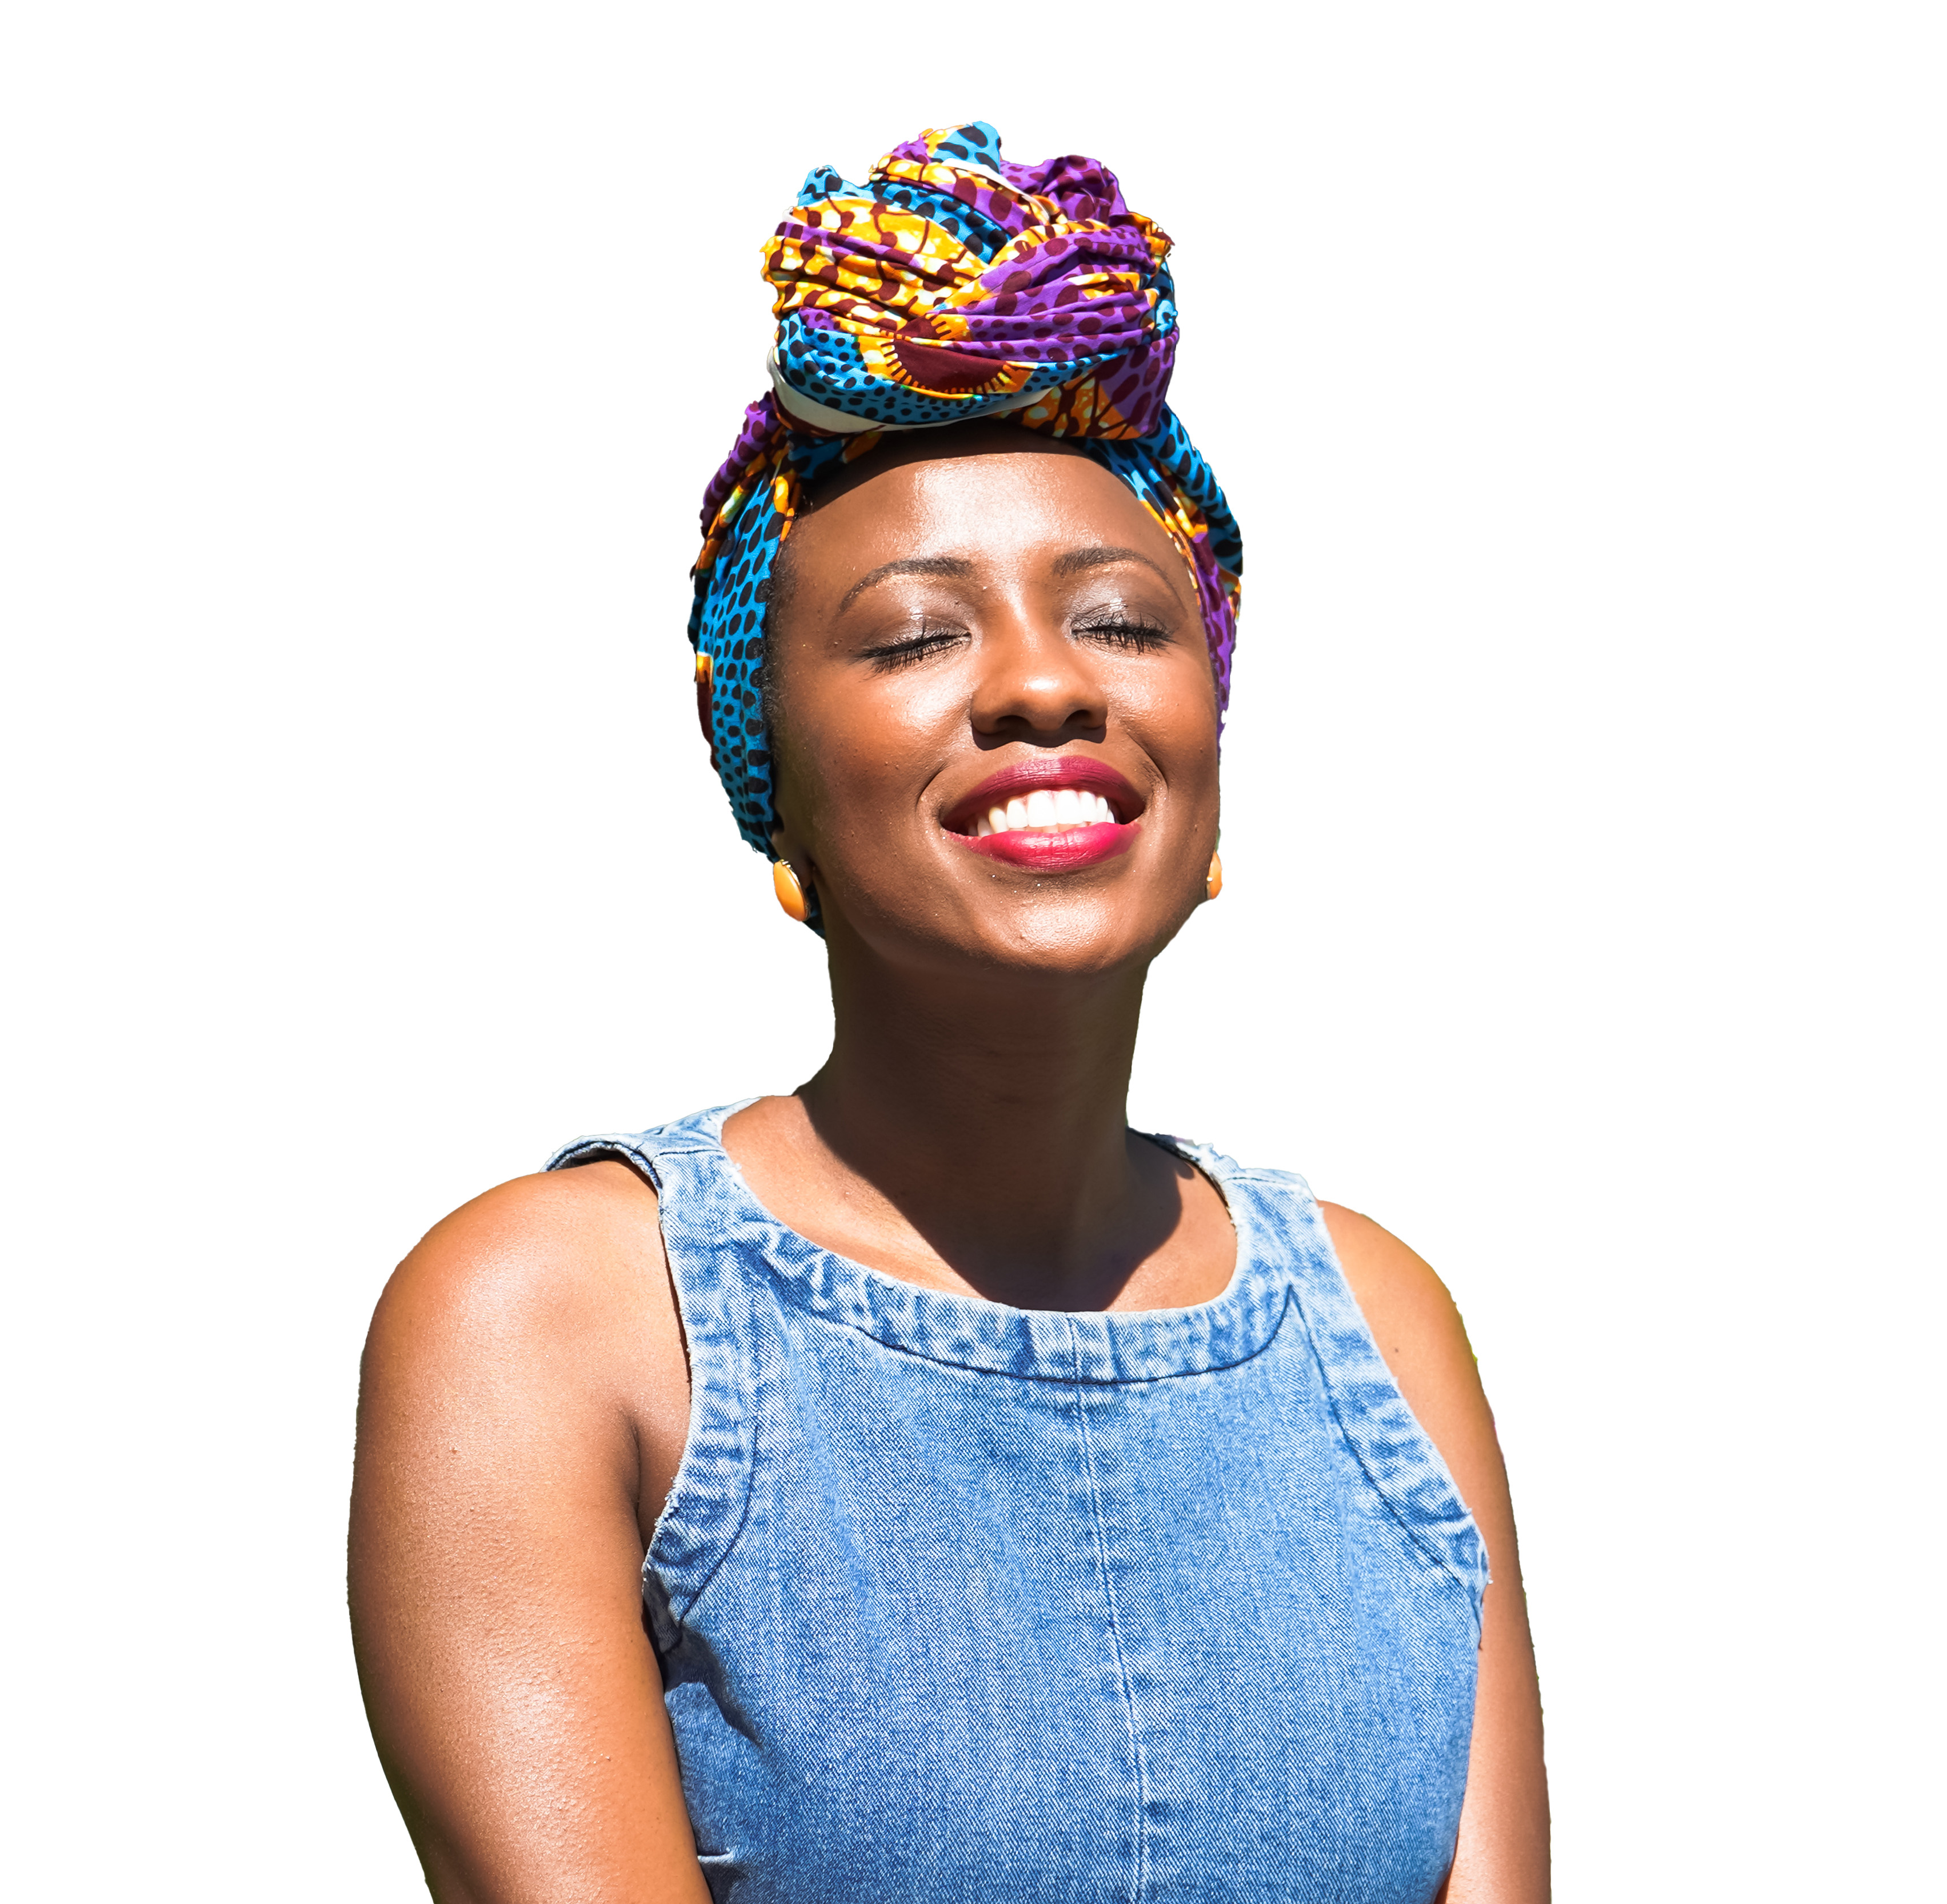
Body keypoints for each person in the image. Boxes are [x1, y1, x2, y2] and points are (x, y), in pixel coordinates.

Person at [349, 122, 1549, 1903]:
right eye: (917, 635)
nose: (1047, 684)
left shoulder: (1382, 1325)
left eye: (1124, 621)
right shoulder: (560, 1319)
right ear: (780, 798)